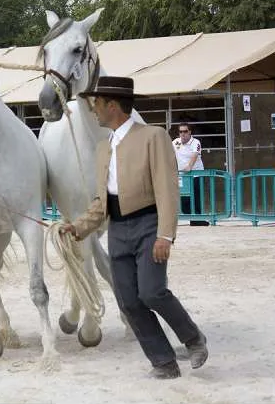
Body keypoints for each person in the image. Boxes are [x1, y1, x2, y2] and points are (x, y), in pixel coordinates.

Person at [58, 76, 208, 380]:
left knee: (152, 292)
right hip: (118, 230)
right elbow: (102, 201)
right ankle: (164, 362)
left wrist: (166, 234)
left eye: (97, 104)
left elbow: (167, 188)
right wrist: (78, 228)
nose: (94, 110)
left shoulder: (153, 137)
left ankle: (193, 340)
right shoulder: (104, 148)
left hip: (149, 225)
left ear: (112, 105)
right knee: (127, 301)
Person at [172, 122, 209, 226]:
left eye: (185, 131)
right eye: (180, 131)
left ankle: (197, 219)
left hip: (196, 174)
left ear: (190, 132)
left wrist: (189, 166)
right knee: (184, 201)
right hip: (183, 176)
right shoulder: (176, 142)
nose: (183, 134)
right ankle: (193, 218)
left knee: (197, 198)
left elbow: (195, 155)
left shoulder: (195, 142)